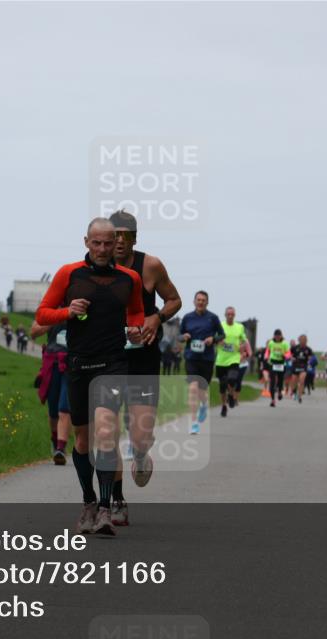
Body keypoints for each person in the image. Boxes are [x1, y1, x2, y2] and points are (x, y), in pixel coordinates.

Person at [35, 218, 145, 537]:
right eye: (96, 243)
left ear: (116, 244)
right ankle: (89, 502)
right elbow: (43, 314)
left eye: (108, 243)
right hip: (79, 364)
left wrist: (136, 330)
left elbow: (135, 313)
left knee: (107, 431)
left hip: (113, 363)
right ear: (86, 242)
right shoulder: (69, 274)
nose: (101, 249)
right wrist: (66, 312)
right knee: (82, 440)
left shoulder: (130, 278)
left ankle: (106, 510)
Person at [111, 210, 182, 526]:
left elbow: (174, 300)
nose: (119, 241)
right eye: (115, 235)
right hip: (108, 358)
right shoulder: (94, 268)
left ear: (135, 238)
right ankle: (115, 500)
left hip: (143, 359)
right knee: (106, 431)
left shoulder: (150, 265)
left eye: (126, 235)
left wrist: (157, 318)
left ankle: (140, 453)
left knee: (139, 435)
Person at [179, 291, 225, 434]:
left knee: (201, 391)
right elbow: (180, 335)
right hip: (191, 357)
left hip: (207, 358)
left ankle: (204, 405)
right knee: (193, 388)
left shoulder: (213, 318)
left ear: (207, 302)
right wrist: (184, 336)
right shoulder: (187, 318)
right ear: (194, 301)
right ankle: (194, 423)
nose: (200, 302)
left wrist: (213, 339)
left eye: (203, 300)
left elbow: (222, 334)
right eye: (198, 300)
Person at [31, 322, 70, 464]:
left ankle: (61, 448)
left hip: (73, 362)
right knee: (53, 410)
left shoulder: (82, 303)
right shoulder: (50, 306)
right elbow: (34, 331)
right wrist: (56, 318)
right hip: (52, 362)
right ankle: (55, 440)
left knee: (64, 408)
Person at [214, 307, 247, 417]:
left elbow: (243, 340)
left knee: (232, 379)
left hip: (234, 358)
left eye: (232, 314)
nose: (230, 316)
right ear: (225, 315)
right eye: (228, 314)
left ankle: (231, 394)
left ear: (235, 315)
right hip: (221, 360)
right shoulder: (221, 325)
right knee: (222, 385)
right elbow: (215, 338)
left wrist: (242, 346)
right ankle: (224, 406)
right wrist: (218, 340)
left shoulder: (239, 327)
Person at [265, 330, 289, 408]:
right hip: (273, 362)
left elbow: (288, 353)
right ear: (274, 336)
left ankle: (279, 392)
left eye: (279, 336)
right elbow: (267, 351)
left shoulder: (285, 343)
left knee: (280, 379)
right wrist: (266, 357)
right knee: (272, 381)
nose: (278, 337)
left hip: (281, 363)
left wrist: (285, 356)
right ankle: (272, 400)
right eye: (276, 336)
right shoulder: (271, 343)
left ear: (281, 336)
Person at [290, 334, 314, 404]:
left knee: (302, 380)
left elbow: (310, 357)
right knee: (294, 380)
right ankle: (294, 391)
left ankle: (299, 396)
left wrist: (309, 360)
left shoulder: (308, 349)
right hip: (295, 366)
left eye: (305, 340)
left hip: (303, 366)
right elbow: (288, 354)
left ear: (306, 341)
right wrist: (291, 358)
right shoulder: (294, 348)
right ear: (299, 340)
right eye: (302, 340)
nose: (303, 341)